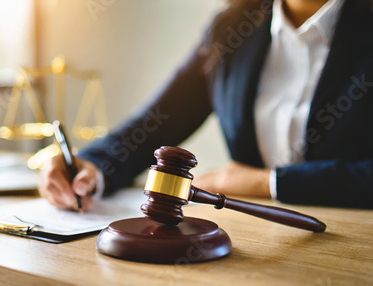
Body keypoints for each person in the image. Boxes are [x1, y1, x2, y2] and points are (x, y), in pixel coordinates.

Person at [39, 0, 373, 211]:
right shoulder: (231, 28)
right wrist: (92, 166)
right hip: (262, 240)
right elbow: (157, 121)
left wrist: (267, 182)